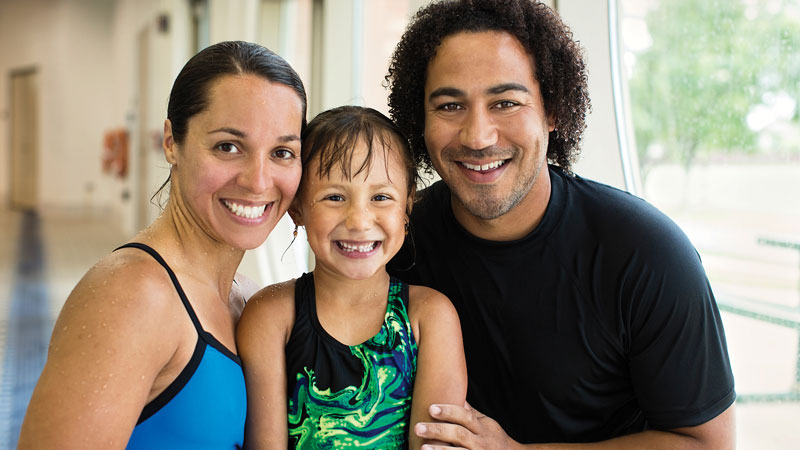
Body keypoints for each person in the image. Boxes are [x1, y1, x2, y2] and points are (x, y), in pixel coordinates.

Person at [385, 1, 736, 448]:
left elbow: (707, 444)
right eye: (450, 106)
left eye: (506, 102)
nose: (478, 136)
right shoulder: (392, 241)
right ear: (421, 120)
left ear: (552, 111)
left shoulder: (645, 252)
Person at [18, 41, 307, 449]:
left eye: (282, 152)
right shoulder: (132, 296)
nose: (258, 181)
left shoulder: (245, 297)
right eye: (228, 146)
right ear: (172, 142)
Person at [237, 105, 467, 449]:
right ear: (297, 207)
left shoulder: (430, 317)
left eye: (381, 197)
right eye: (334, 197)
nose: (359, 220)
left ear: (407, 206)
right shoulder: (270, 316)